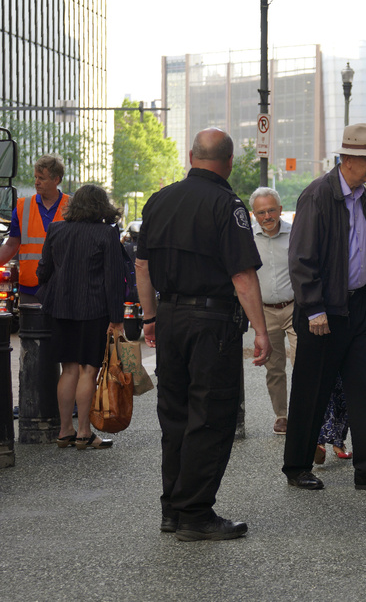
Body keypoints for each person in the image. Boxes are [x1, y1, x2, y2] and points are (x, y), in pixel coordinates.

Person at [135, 127, 272, 541]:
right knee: (210, 416)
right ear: (228, 162)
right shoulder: (226, 204)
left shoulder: (159, 201)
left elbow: (141, 266)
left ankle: (172, 510)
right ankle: (195, 513)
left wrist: (151, 317)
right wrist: (261, 332)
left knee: (174, 414)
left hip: (171, 316)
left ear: (191, 157)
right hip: (212, 322)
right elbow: (242, 276)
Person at [283, 122, 366, 492]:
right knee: (311, 391)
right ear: (349, 159)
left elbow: (360, 256)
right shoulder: (317, 196)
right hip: (322, 311)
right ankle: (297, 467)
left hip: (356, 311)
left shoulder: (365, 200)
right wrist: (314, 308)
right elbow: (302, 258)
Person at [36, 184, 124, 451]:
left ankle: (65, 431)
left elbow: (43, 271)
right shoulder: (106, 234)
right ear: (102, 206)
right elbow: (113, 280)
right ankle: (84, 433)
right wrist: (117, 319)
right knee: (88, 369)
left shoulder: (56, 229)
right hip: (93, 310)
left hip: (60, 309)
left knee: (68, 369)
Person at [0, 154, 69, 303]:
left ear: (56, 180)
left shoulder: (72, 207)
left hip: (64, 289)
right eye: (35, 177)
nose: (36, 182)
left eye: (41, 178)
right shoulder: (23, 207)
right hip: (30, 288)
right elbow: (11, 244)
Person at [250, 186, 295, 435]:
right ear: (254, 214)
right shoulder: (248, 238)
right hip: (265, 312)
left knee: (302, 363)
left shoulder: (295, 233)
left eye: (270, 210)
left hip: (294, 308)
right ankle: (282, 415)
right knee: (274, 367)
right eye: (261, 212)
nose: (267, 216)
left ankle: (302, 411)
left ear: (279, 210)